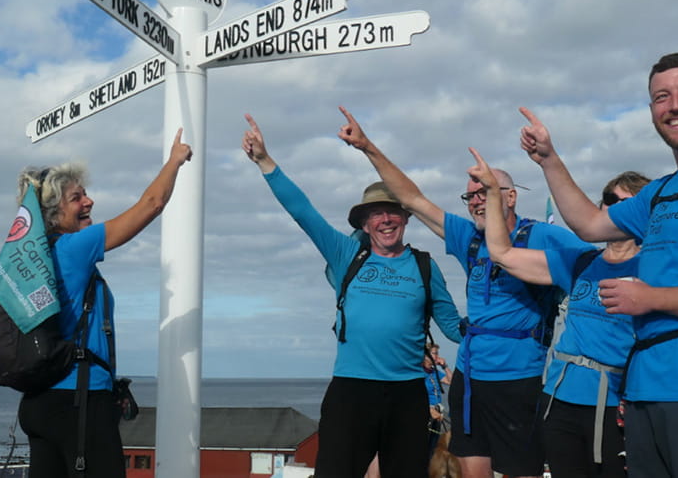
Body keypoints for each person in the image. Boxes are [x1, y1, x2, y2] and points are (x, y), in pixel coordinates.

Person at [520, 52, 678, 478]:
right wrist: (549, 159)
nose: (675, 104)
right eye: (662, 96)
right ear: (652, 110)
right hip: (643, 391)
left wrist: (650, 297)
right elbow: (588, 223)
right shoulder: (660, 192)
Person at [338, 107, 586, 478]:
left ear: (512, 197)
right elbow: (413, 199)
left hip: (520, 379)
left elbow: (594, 262)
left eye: (485, 191)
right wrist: (368, 147)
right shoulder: (469, 237)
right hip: (470, 382)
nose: (476, 201)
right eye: (470, 196)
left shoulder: (543, 237)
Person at [242, 114, 463, 478]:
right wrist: (266, 161)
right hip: (351, 393)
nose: (386, 220)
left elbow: (454, 327)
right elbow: (303, 212)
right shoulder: (347, 256)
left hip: (408, 396)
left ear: (406, 219)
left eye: (393, 211)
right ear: (364, 223)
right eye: (376, 214)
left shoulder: (425, 266)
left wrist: (501, 317)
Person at [17, 129, 193, 478]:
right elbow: (151, 205)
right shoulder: (73, 247)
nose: (89, 202)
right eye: (76, 198)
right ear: (53, 214)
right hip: (79, 402)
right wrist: (174, 161)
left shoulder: (34, 258)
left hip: (39, 403)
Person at [469, 154, 647, 478]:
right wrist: (494, 195)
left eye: (628, 201)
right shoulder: (580, 261)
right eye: (609, 200)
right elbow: (502, 253)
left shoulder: (657, 271)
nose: (616, 207)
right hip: (559, 399)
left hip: (613, 405)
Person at [425, 342, 452, 459]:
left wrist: (445, 367)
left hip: (438, 413)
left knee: (434, 447)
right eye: (435, 353)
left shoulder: (435, 372)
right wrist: (429, 409)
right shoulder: (418, 372)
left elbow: (451, 381)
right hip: (426, 413)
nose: (437, 356)